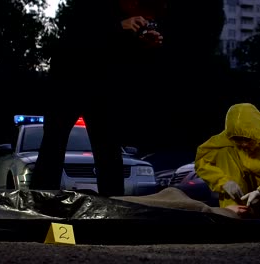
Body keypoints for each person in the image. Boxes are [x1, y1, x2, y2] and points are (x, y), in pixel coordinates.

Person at [30, 0, 166, 196]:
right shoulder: (94, 8)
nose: (143, 21)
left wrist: (145, 45)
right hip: (68, 80)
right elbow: (76, 38)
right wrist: (119, 26)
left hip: (102, 87)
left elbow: (125, 61)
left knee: (108, 148)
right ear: (132, 4)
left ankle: (113, 201)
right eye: (143, 16)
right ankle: (40, 197)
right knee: (54, 141)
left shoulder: (130, 24)